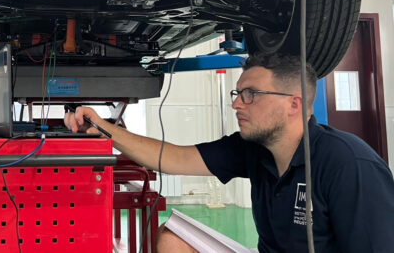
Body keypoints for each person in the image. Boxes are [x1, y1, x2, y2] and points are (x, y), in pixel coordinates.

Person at [64, 54, 394, 252]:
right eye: (238, 93)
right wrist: (103, 128)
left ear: (294, 103)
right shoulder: (254, 148)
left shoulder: (348, 164)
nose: (236, 103)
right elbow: (174, 158)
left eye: (250, 94)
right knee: (172, 240)